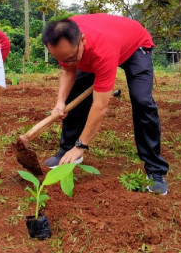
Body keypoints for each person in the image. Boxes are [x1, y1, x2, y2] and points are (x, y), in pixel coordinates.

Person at [41, 14, 169, 195]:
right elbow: (68, 69)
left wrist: (82, 145)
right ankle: (67, 150)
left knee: (142, 101)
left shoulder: (102, 50)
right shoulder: (64, 37)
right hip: (106, 44)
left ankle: (155, 169)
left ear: (82, 40)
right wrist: (60, 102)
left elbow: (100, 106)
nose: (68, 62)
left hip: (135, 45)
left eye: (71, 57)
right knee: (76, 90)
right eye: (62, 58)